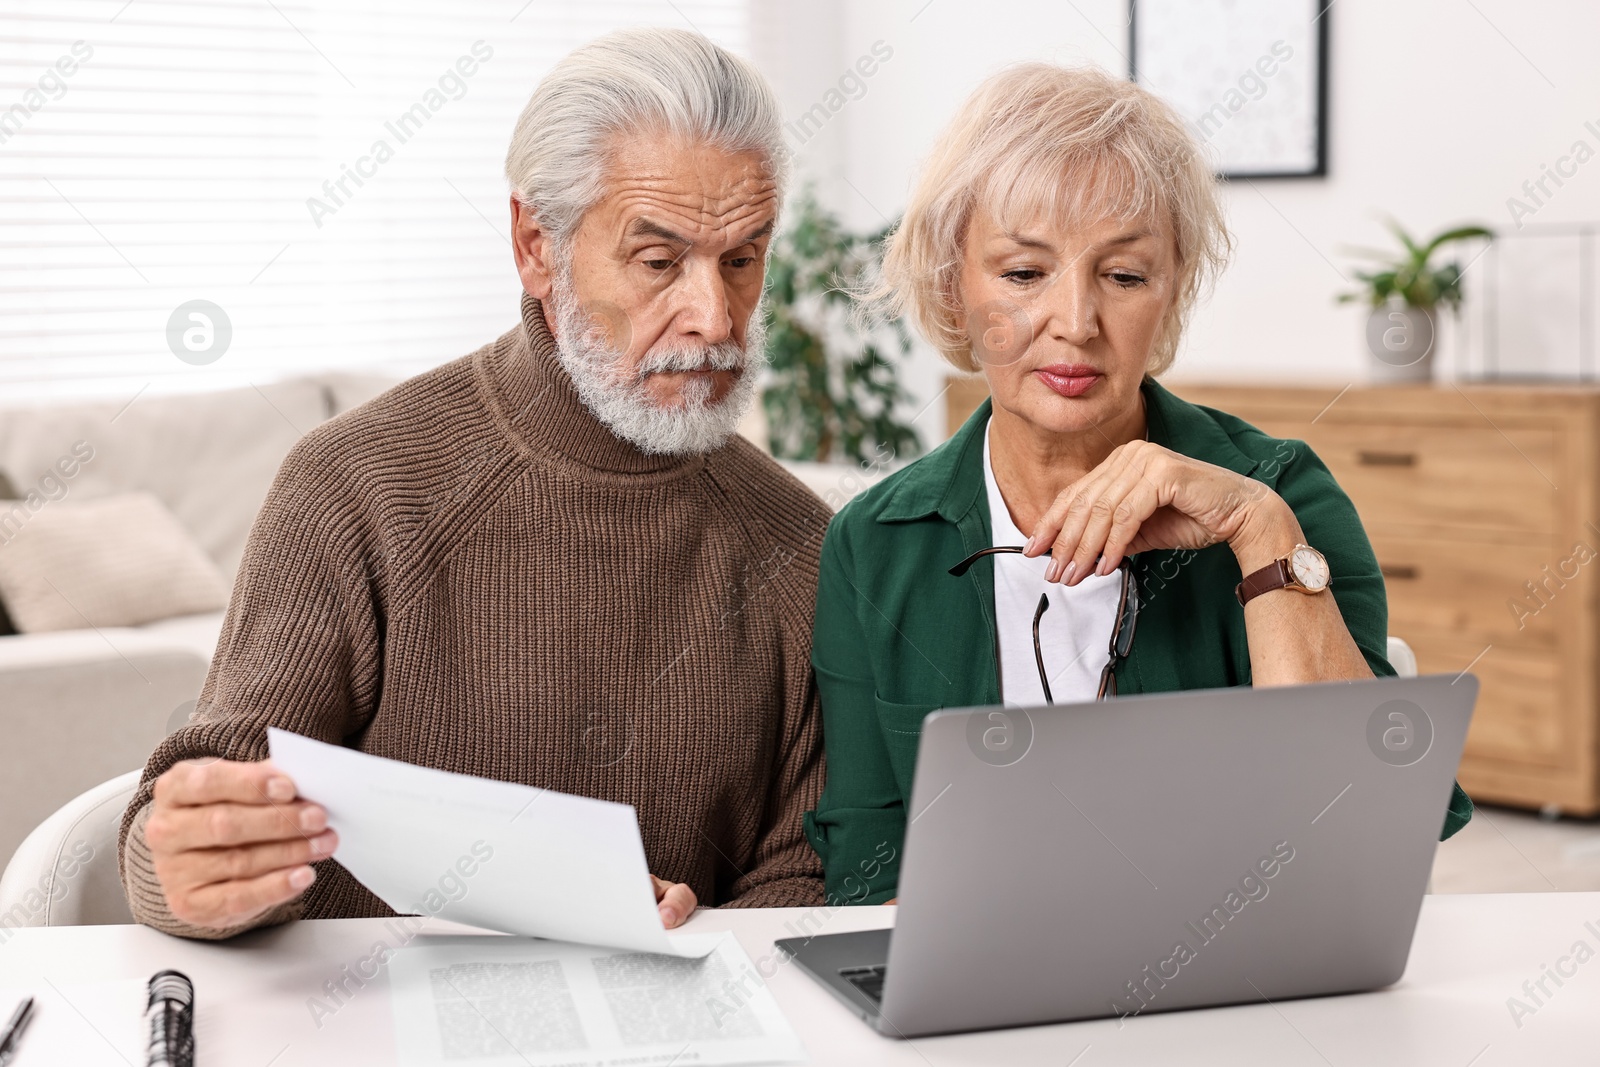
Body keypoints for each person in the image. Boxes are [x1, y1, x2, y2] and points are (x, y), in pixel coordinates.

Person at [119, 27, 830, 939]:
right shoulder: (355, 484)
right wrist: (184, 866)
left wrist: (696, 944)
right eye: (659, 262)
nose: (715, 314)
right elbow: (201, 812)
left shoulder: (801, 541)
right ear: (537, 244)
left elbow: (804, 875)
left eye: (742, 258)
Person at [803, 63, 1473, 905]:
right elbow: (869, 872)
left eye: (1123, 276)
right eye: (1022, 274)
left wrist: (1258, 529)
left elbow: (1369, 832)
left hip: (1249, 990)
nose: (1076, 322)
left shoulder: (1282, 491)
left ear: (1173, 290)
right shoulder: (875, 544)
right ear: (952, 285)